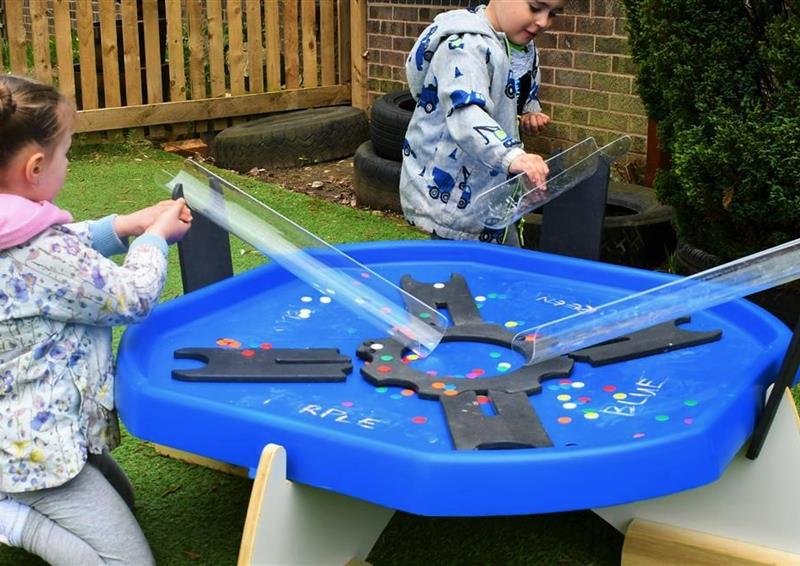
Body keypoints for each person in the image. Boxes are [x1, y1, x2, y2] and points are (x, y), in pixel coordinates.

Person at [0, 74, 192, 564]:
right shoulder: (38, 249)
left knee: (122, 503)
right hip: (32, 452)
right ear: (36, 166)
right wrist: (153, 240)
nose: (67, 163)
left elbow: (61, 255)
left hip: (26, 423)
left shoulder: (14, 227)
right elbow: (130, 296)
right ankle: (13, 518)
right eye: (66, 154)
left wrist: (124, 226)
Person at [400, 0, 564, 244]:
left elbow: (522, 88)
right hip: (453, 200)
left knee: (502, 264)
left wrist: (530, 110)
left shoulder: (518, 47)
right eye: (535, 7)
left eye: (553, 14)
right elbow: (466, 111)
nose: (543, 22)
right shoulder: (465, 45)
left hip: (490, 189)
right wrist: (512, 156)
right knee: (456, 274)